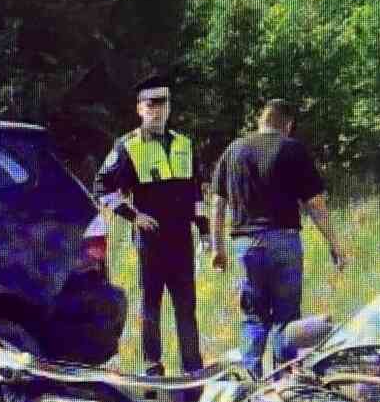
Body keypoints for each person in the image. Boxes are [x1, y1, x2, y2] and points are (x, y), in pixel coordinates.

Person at [210, 100, 346, 375]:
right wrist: (335, 244)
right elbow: (315, 205)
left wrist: (217, 248)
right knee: (286, 319)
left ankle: (250, 382)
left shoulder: (234, 149)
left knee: (253, 318)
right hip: (284, 241)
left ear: (261, 121)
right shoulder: (292, 149)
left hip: (246, 244)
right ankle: (284, 382)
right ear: (287, 124)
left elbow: (217, 202)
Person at [95, 76, 208, 375]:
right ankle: (152, 366)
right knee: (151, 306)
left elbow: (196, 192)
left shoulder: (184, 144)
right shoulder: (128, 146)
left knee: (187, 306)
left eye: (163, 103)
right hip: (151, 239)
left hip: (182, 238)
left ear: (170, 107)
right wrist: (134, 217)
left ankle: (193, 368)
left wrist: (205, 231)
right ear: (139, 109)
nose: (157, 110)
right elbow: (101, 187)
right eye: (151, 105)